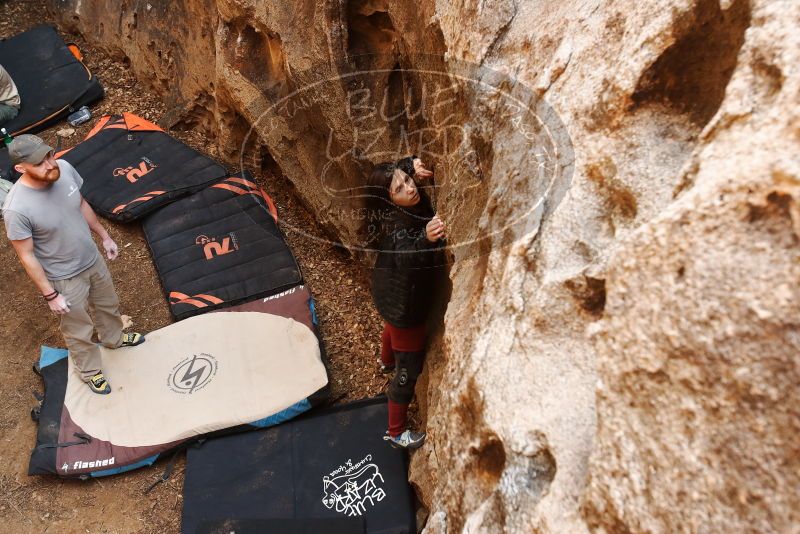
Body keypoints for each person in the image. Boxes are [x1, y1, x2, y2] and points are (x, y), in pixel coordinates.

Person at [2, 134, 145, 395]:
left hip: (91, 259)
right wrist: (51, 295)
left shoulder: (64, 168)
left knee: (107, 305)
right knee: (78, 328)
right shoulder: (16, 209)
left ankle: (114, 338)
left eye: (49, 155)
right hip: (63, 278)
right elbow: (27, 256)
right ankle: (90, 371)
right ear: (20, 168)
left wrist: (104, 237)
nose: (50, 165)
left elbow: (79, 203)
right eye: (40, 163)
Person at [368, 155, 445, 449]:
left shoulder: (396, 202)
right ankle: (396, 433)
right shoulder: (395, 226)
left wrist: (411, 165)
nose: (410, 188)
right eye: (399, 189)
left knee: (390, 328)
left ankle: (386, 361)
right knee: (407, 373)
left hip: (388, 293)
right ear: (388, 200)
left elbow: (393, 171)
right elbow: (407, 257)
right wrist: (426, 238)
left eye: (408, 181)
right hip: (406, 308)